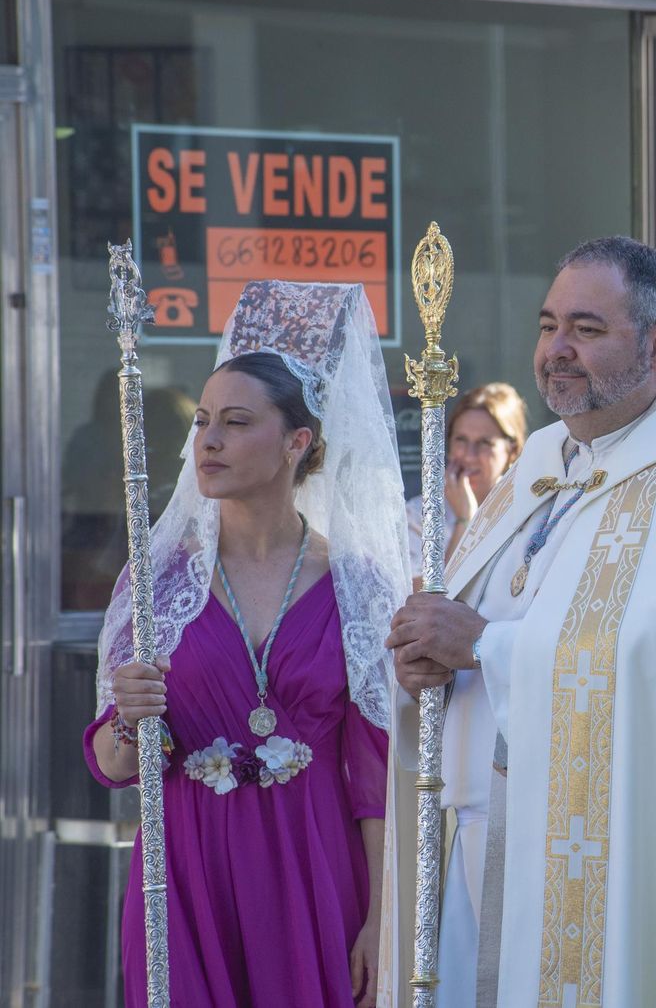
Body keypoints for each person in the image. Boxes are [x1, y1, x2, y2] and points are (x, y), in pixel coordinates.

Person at [380, 236, 656, 1006]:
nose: (556, 351)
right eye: (546, 326)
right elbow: (468, 612)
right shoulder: (539, 459)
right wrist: (419, 657)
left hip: (603, 854)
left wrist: (485, 648)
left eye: (586, 330)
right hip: (472, 842)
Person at [86, 281, 410, 1007]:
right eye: (203, 421)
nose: (209, 440)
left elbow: (375, 779)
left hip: (314, 873)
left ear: (300, 442)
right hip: (186, 877)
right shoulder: (160, 580)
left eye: (235, 422)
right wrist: (129, 719)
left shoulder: (356, 585)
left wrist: (380, 924)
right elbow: (111, 764)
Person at [403, 382, 528, 589]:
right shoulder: (419, 515)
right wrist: (465, 520)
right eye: (461, 440)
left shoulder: (523, 510)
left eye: (485, 443)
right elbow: (426, 603)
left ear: (512, 450)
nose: (469, 456)